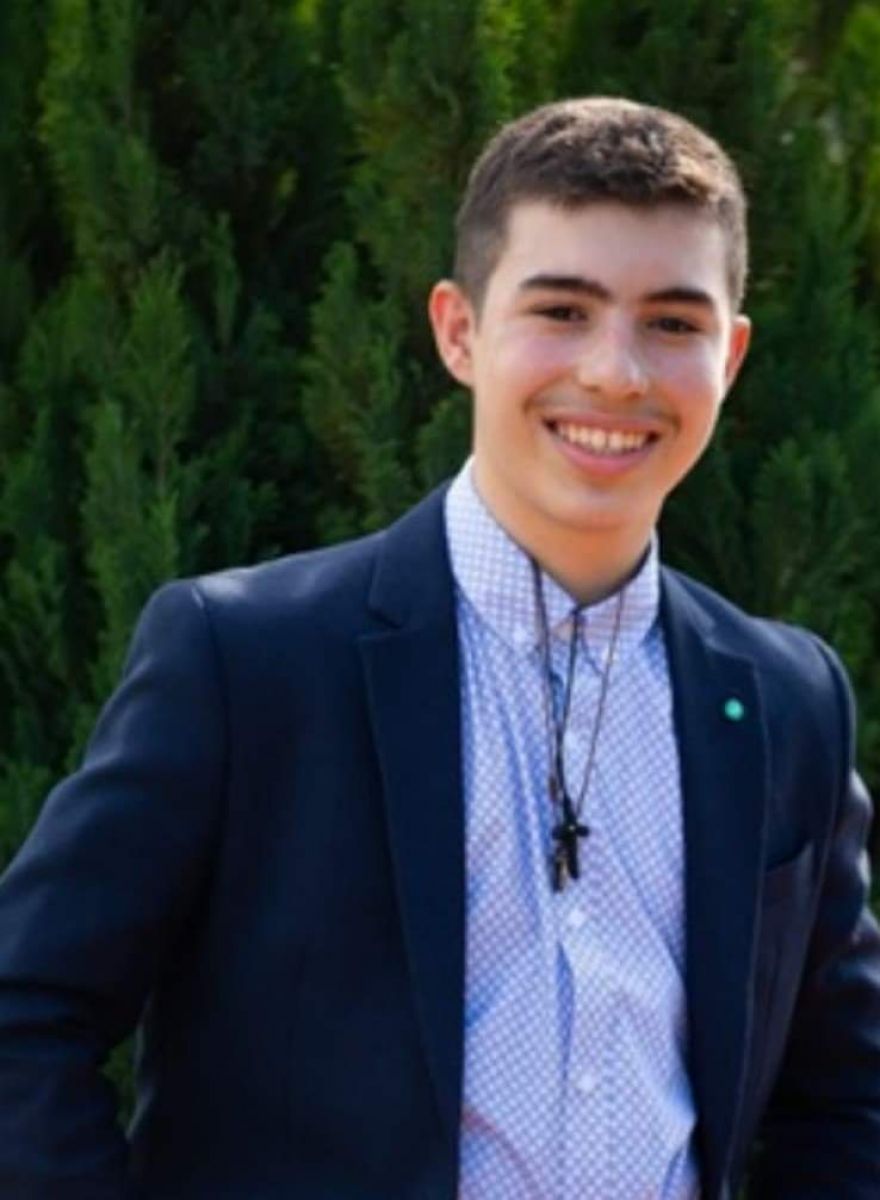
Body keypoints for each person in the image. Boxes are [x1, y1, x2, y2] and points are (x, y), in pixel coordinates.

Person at [0, 96, 878, 1200]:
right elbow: (24, 1014)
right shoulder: (248, 660)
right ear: (458, 331)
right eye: (561, 309)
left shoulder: (788, 700)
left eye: (672, 322)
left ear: (731, 355)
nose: (615, 372)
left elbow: (846, 1099)